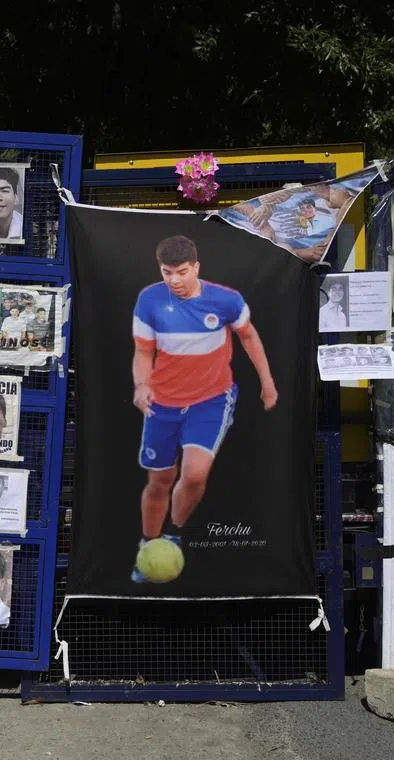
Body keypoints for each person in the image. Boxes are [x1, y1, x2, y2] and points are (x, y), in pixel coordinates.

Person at [131, 235, 278, 583]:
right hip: (163, 403)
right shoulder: (149, 300)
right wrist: (142, 385)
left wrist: (267, 382)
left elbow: (250, 337)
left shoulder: (225, 300)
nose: (174, 280)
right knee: (160, 481)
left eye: (182, 271)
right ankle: (147, 545)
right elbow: (142, 352)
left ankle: (174, 532)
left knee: (195, 474)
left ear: (196, 267)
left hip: (211, 399)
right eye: (167, 272)